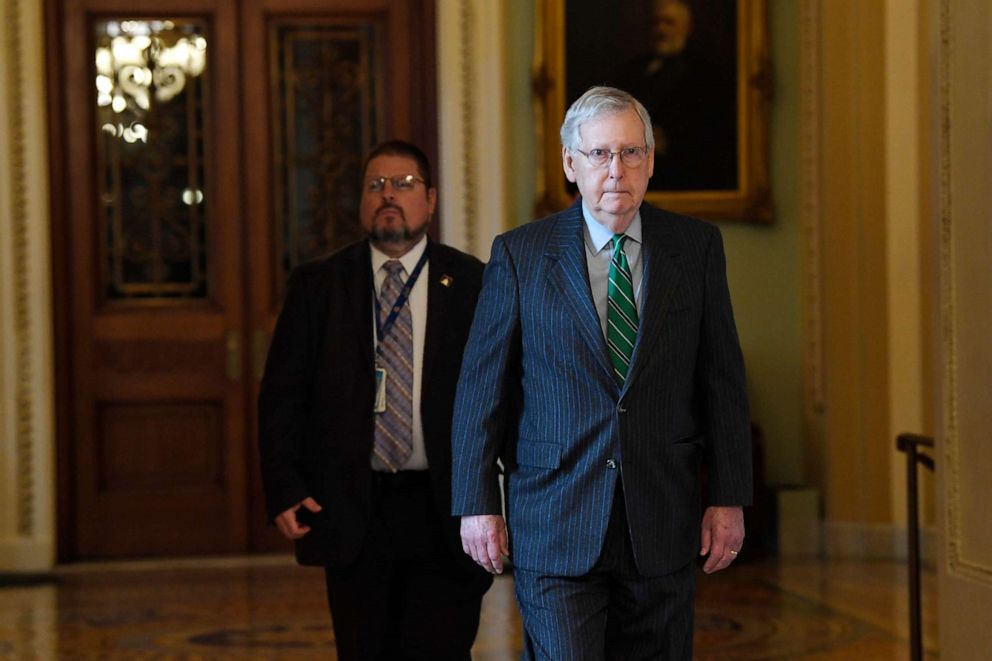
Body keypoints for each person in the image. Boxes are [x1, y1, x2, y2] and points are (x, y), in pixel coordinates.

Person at [452, 86, 751, 660]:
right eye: (600, 154)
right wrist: (478, 502)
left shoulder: (696, 248)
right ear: (571, 162)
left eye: (632, 153)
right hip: (555, 519)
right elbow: (479, 389)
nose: (617, 170)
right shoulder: (520, 254)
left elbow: (723, 381)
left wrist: (730, 496)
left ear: (651, 161)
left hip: (661, 516)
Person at [259, 140, 492, 661]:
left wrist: (507, 497)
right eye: (375, 185)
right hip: (352, 510)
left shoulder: (475, 282)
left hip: (445, 510)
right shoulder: (318, 286)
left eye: (404, 184)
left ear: (430, 200)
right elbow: (281, 395)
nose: (389, 194)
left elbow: (503, 396)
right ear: (361, 202)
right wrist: (284, 487)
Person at [620, 0, 737, 191]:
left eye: (669, 22)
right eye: (656, 23)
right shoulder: (633, 70)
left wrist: (669, 143)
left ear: (687, 28)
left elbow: (713, 134)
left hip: (682, 174)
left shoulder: (705, 74)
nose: (661, 29)